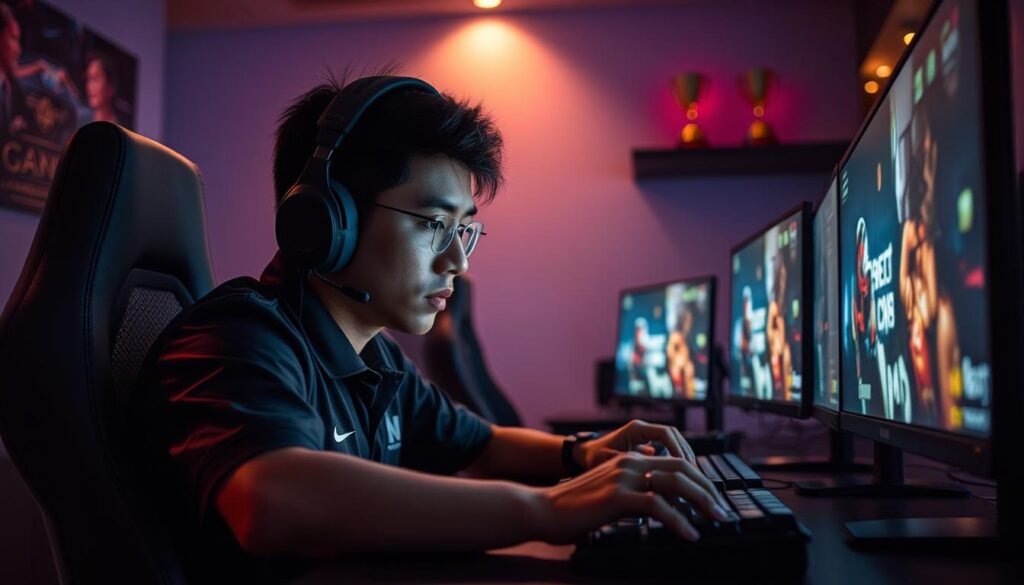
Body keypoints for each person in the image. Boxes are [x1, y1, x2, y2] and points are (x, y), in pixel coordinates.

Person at [132, 74, 729, 583]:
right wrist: (547, 509)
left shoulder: (375, 357)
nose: (458, 261)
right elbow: (272, 498)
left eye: (465, 229)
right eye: (433, 224)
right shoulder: (235, 338)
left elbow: (479, 445)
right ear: (325, 221)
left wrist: (582, 453)